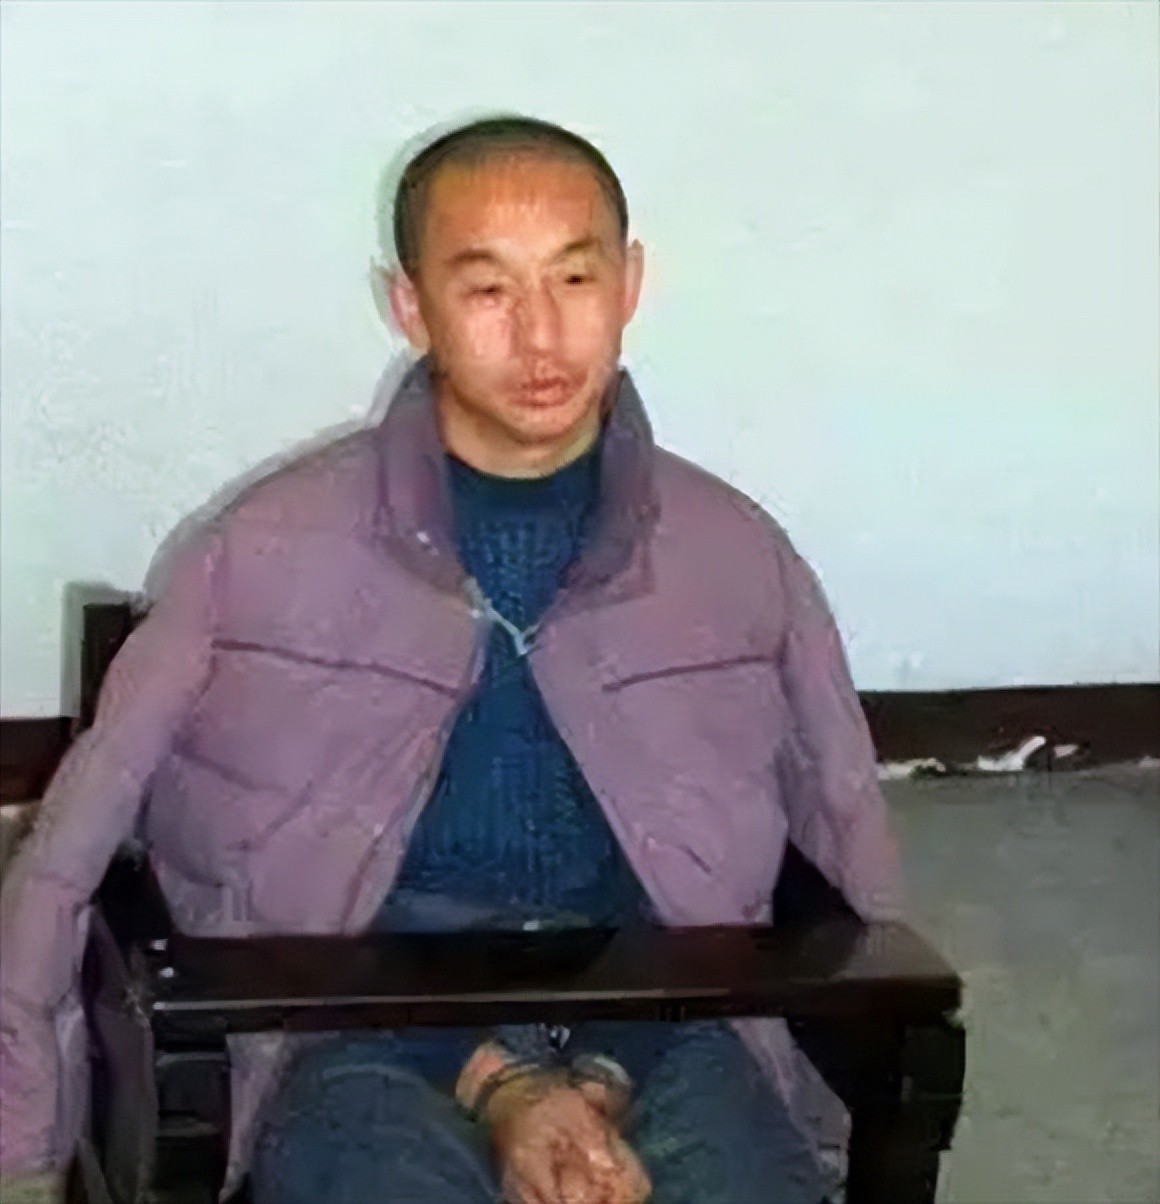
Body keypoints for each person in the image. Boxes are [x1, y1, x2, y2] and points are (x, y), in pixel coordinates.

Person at [0, 115, 904, 1204]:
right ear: (409, 306)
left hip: (664, 1012)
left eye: (574, 278)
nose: (539, 336)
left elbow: (841, 817)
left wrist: (812, 1065)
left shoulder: (736, 554)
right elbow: (89, 827)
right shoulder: (261, 551)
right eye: (486, 289)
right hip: (355, 1020)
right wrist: (26, 1081)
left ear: (629, 284)